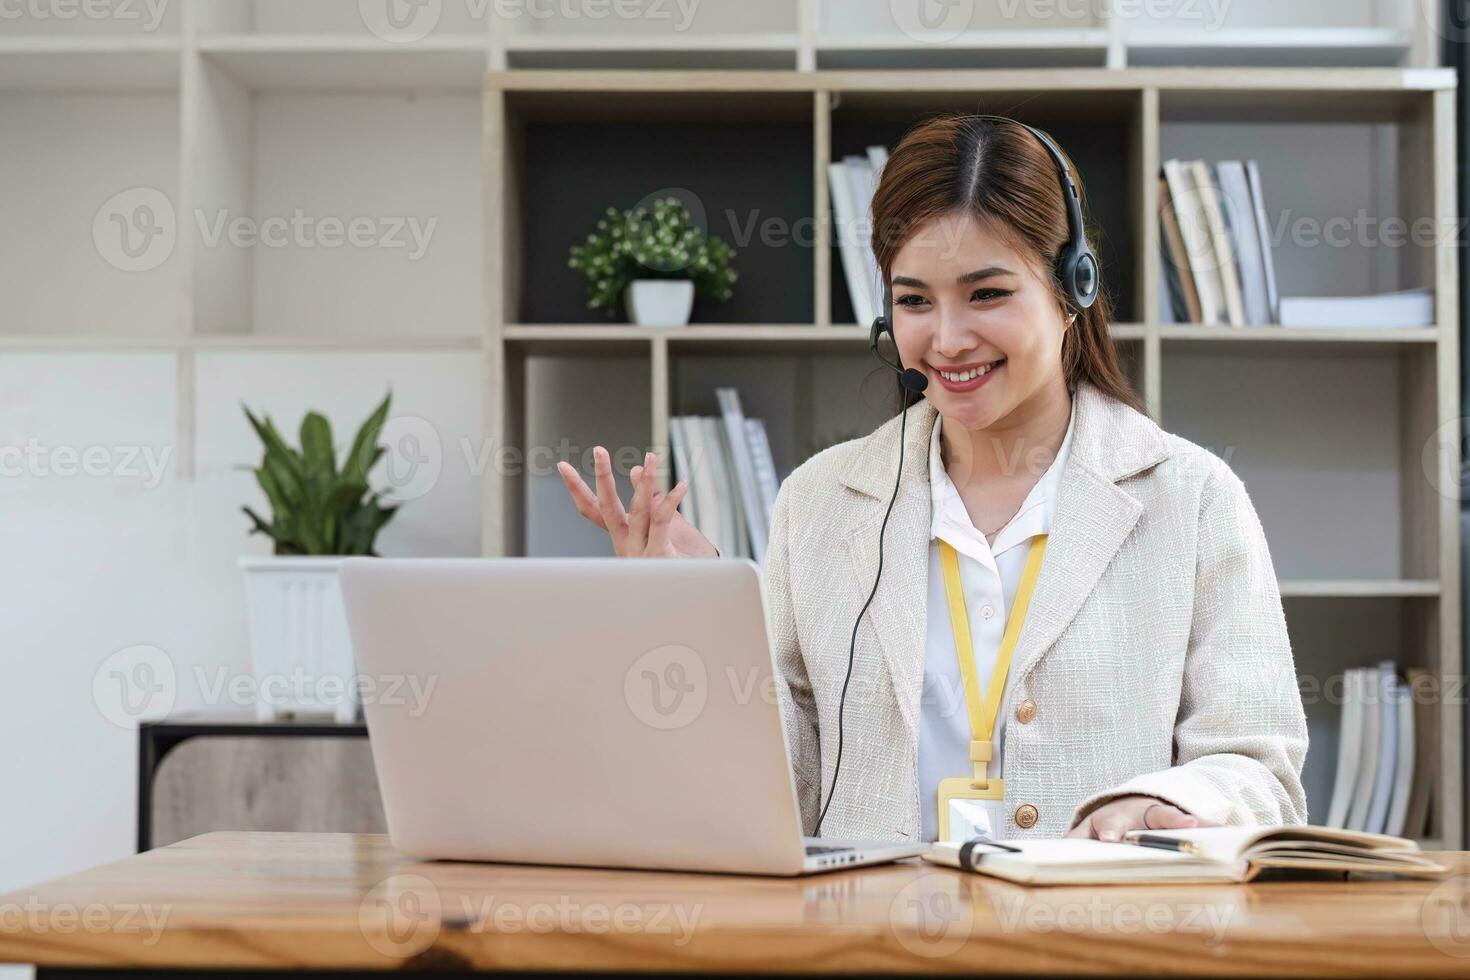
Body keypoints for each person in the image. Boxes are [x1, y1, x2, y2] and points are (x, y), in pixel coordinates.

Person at [557, 114, 1308, 843]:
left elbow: (1260, 771)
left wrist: (1162, 799)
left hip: (1098, 942)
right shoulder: (817, 502)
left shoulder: (1192, 498)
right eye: (914, 300)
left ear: (1071, 290)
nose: (947, 340)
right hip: (867, 944)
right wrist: (703, 623)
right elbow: (788, 787)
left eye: (987, 294)